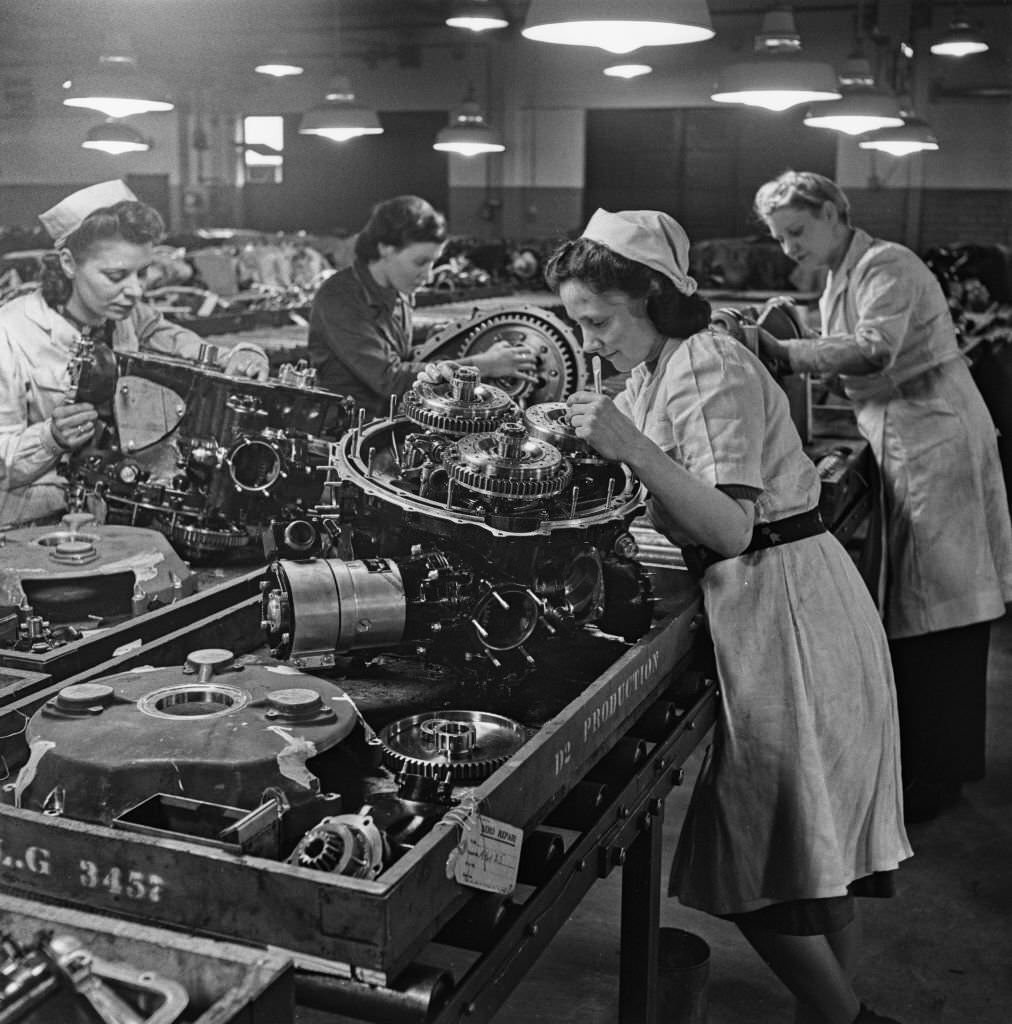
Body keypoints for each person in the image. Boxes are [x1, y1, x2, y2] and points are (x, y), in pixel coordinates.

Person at [545, 208, 912, 1024]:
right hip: (775, 602)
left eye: (598, 321)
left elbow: (731, 527)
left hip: (787, 607)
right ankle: (830, 1015)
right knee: (812, 848)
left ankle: (852, 1022)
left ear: (650, 297)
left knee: (756, 853)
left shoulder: (709, 365)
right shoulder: (655, 368)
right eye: (579, 324)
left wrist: (629, 447)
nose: (591, 339)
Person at [752, 170, 1012, 823]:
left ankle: (940, 775)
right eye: (780, 238)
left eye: (797, 231)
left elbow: (872, 349)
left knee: (945, 608)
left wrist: (781, 351)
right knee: (927, 606)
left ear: (836, 213)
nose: (788, 248)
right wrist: (793, 333)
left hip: (934, 437)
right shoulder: (845, 274)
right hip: (907, 433)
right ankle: (933, 761)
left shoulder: (886, 262)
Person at [0, 179, 270, 528]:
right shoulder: (11, 334)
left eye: (141, 273)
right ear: (68, 263)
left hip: (113, 515)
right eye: (116, 275)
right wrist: (50, 438)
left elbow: (179, 342)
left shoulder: (127, 316)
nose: (134, 290)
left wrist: (240, 356)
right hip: (32, 525)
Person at [308, 194, 537, 420]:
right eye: (420, 262)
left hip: (387, 421)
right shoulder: (339, 298)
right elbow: (390, 379)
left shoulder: (399, 292)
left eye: (433, 262)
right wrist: (484, 365)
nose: (427, 277)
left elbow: (401, 358)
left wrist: (439, 343)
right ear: (386, 249)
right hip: (345, 433)